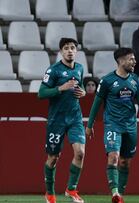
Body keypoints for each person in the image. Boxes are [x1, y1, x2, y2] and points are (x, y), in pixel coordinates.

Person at [85, 48, 139, 203]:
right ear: (120, 61)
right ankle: (115, 193)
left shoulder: (135, 80)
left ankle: (120, 193)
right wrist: (90, 124)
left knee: (125, 163)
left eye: (134, 59)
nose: (134, 62)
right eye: (131, 59)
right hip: (113, 125)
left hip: (130, 126)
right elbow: (97, 103)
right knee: (114, 157)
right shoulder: (107, 81)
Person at [39, 38, 86, 203]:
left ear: (76, 51)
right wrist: (60, 88)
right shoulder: (53, 71)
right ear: (61, 52)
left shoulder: (80, 68)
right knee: (53, 158)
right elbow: (41, 93)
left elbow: (80, 88)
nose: (70, 51)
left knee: (80, 153)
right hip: (56, 120)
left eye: (73, 48)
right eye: (66, 48)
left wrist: (83, 93)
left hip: (75, 118)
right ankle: (50, 193)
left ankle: (71, 189)